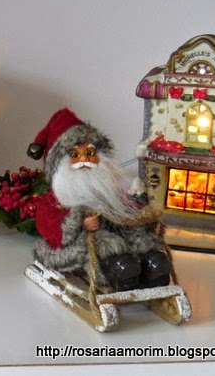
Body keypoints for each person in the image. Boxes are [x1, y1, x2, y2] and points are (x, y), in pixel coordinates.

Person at [27, 108, 171, 291]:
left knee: (138, 235)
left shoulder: (108, 188)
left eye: (89, 153)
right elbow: (47, 223)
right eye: (75, 155)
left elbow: (126, 206)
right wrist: (80, 223)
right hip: (85, 243)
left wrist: (144, 215)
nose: (84, 160)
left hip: (116, 230)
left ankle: (151, 265)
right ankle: (120, 272)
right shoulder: (55, 199)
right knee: (106, 244)